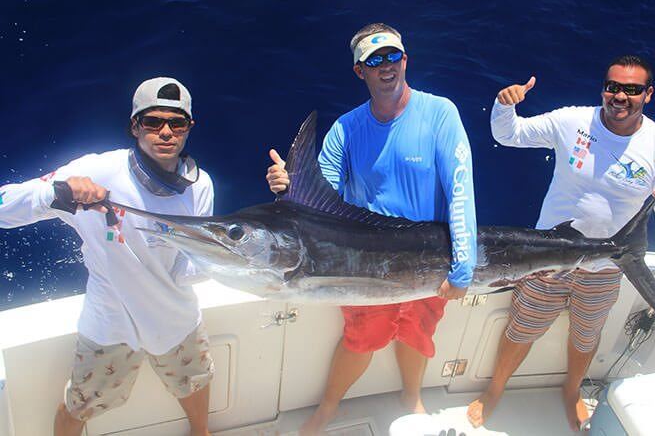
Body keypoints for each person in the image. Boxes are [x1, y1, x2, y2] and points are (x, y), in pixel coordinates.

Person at [266, 23, 478, 435]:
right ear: (359, 71)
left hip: (431, 257)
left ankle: (410, 395)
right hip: (366, 261)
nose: (386, 66)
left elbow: (460, 189)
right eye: (374, 60)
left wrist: (462, 266)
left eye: (392, 56)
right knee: (362, 337)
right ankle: (328, 407)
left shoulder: (440, 113)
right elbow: (320, 193)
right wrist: (288, 184)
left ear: (405, 60)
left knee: (418, 332)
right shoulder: (346, 128)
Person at [467, 56, 655, 431]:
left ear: (648, 95)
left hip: (605, 268)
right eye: (612, 86)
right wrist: (505, 106)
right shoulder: (573, 121)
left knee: (586, 335)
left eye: (632, 90)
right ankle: (495, 390)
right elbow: (509, 135)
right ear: (604, 87)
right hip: (545, 259)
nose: (620, 96)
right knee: (522, 327)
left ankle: (572, 390)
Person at [0, 77, 215, 436]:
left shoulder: (201, 186)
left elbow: (185, 267)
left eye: (176, 123)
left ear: (189, 128)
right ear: (135, 126)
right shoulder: (98, 170)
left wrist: (228, 264)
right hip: (111, 325)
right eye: (153, 121)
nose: (166, 132)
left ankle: (201, 433)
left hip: (175, 320)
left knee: (194, 383)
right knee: (79, 405)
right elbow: (3, 205)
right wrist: (57, 193)